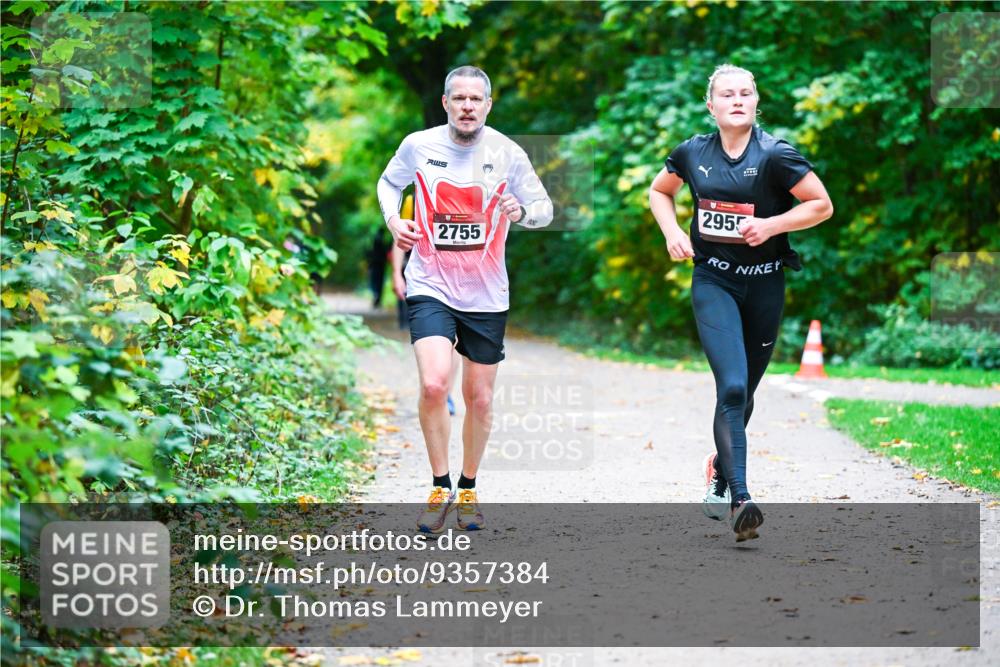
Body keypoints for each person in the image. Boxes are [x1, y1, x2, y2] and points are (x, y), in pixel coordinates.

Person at [648, 64, 834, 541]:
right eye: (726, 94)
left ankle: (719, 466)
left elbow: (821, 205)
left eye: (745, 93)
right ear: (711, 106)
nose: (737, 100)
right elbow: (659, 191)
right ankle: (742, 499)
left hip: (765, 284)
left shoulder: (775, 154)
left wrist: (771, 226)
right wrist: (672, 232)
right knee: (731, 387)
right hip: (714, 281)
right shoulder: (693, 152)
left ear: (755, 103)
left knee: (744, 395)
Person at [377, 65, 553, 533]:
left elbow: (544, 207)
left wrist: (523, 212)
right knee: (435, 385)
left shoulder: (508, 153)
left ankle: (469, 487)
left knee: (479, 398)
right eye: (459, 99)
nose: (468, 106)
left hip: (486, 293)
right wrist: (394, 220)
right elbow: (388, 182)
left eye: (476, 99)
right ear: (446, 103)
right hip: (430, 282)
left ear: (488, 106)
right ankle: (440, 485)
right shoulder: (419, 145)